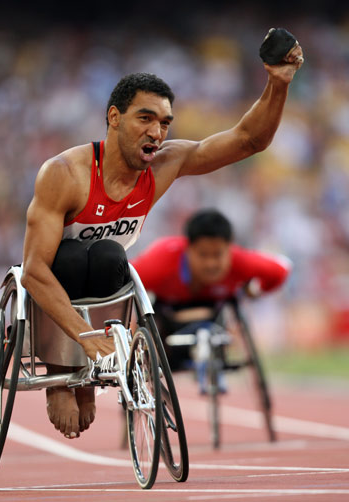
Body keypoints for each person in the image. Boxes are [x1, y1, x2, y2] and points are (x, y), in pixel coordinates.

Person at [20, 39, 304, 440]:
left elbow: (248, 141)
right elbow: (33, 270)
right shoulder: (65, 173)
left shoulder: (166, 164)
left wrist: (278, 83)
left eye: (165, 123)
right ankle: (64, 375)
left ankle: (86, 373)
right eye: (145, 118)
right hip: (53, 278)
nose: (157, 131)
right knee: (69, 256)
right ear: (114, 117)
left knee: (105, 254)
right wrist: (83, 339)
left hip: (103, 279)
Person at [131, 209, 292, 390]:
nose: (211, 264)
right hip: (167, 311)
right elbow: (125, 282)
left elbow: (281, 269)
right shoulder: (161, 261)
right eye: (203, 255)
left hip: (214, 311)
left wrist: (254, 291)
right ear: (188, 249)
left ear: (229, 250)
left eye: (217, 255)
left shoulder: (240, 261)